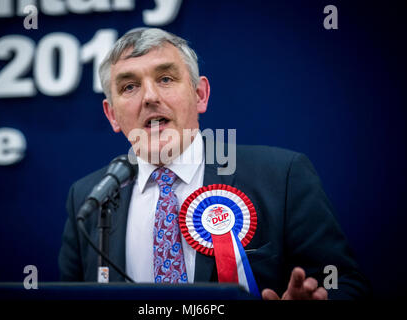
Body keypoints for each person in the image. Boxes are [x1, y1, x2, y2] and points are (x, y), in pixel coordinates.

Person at [58, 27, 370, 300]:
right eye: (129, 87)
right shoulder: (87, 197)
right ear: (112, 114)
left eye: (165, 78)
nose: (150, 96)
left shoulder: (282, 176)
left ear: (200, 95)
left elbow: (345, 283)